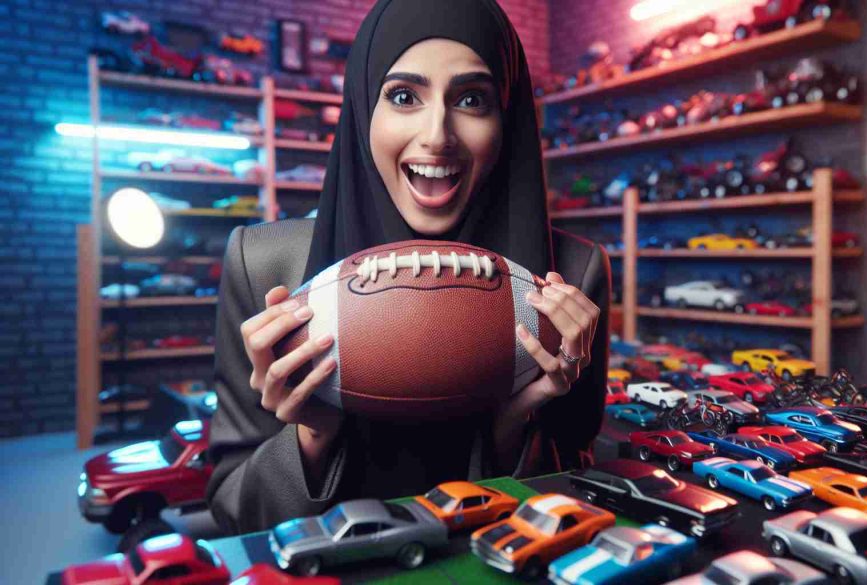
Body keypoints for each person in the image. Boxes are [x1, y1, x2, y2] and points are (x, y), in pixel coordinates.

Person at [205, 0, 611, 535]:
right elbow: (230, 507)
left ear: (507, 118)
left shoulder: (571, 276)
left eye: (471, 99)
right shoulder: (265, 267)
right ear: (362, 109)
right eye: (403, 96)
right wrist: (311, 437)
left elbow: (574, 499)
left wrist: (516, 417)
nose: (437, 134)